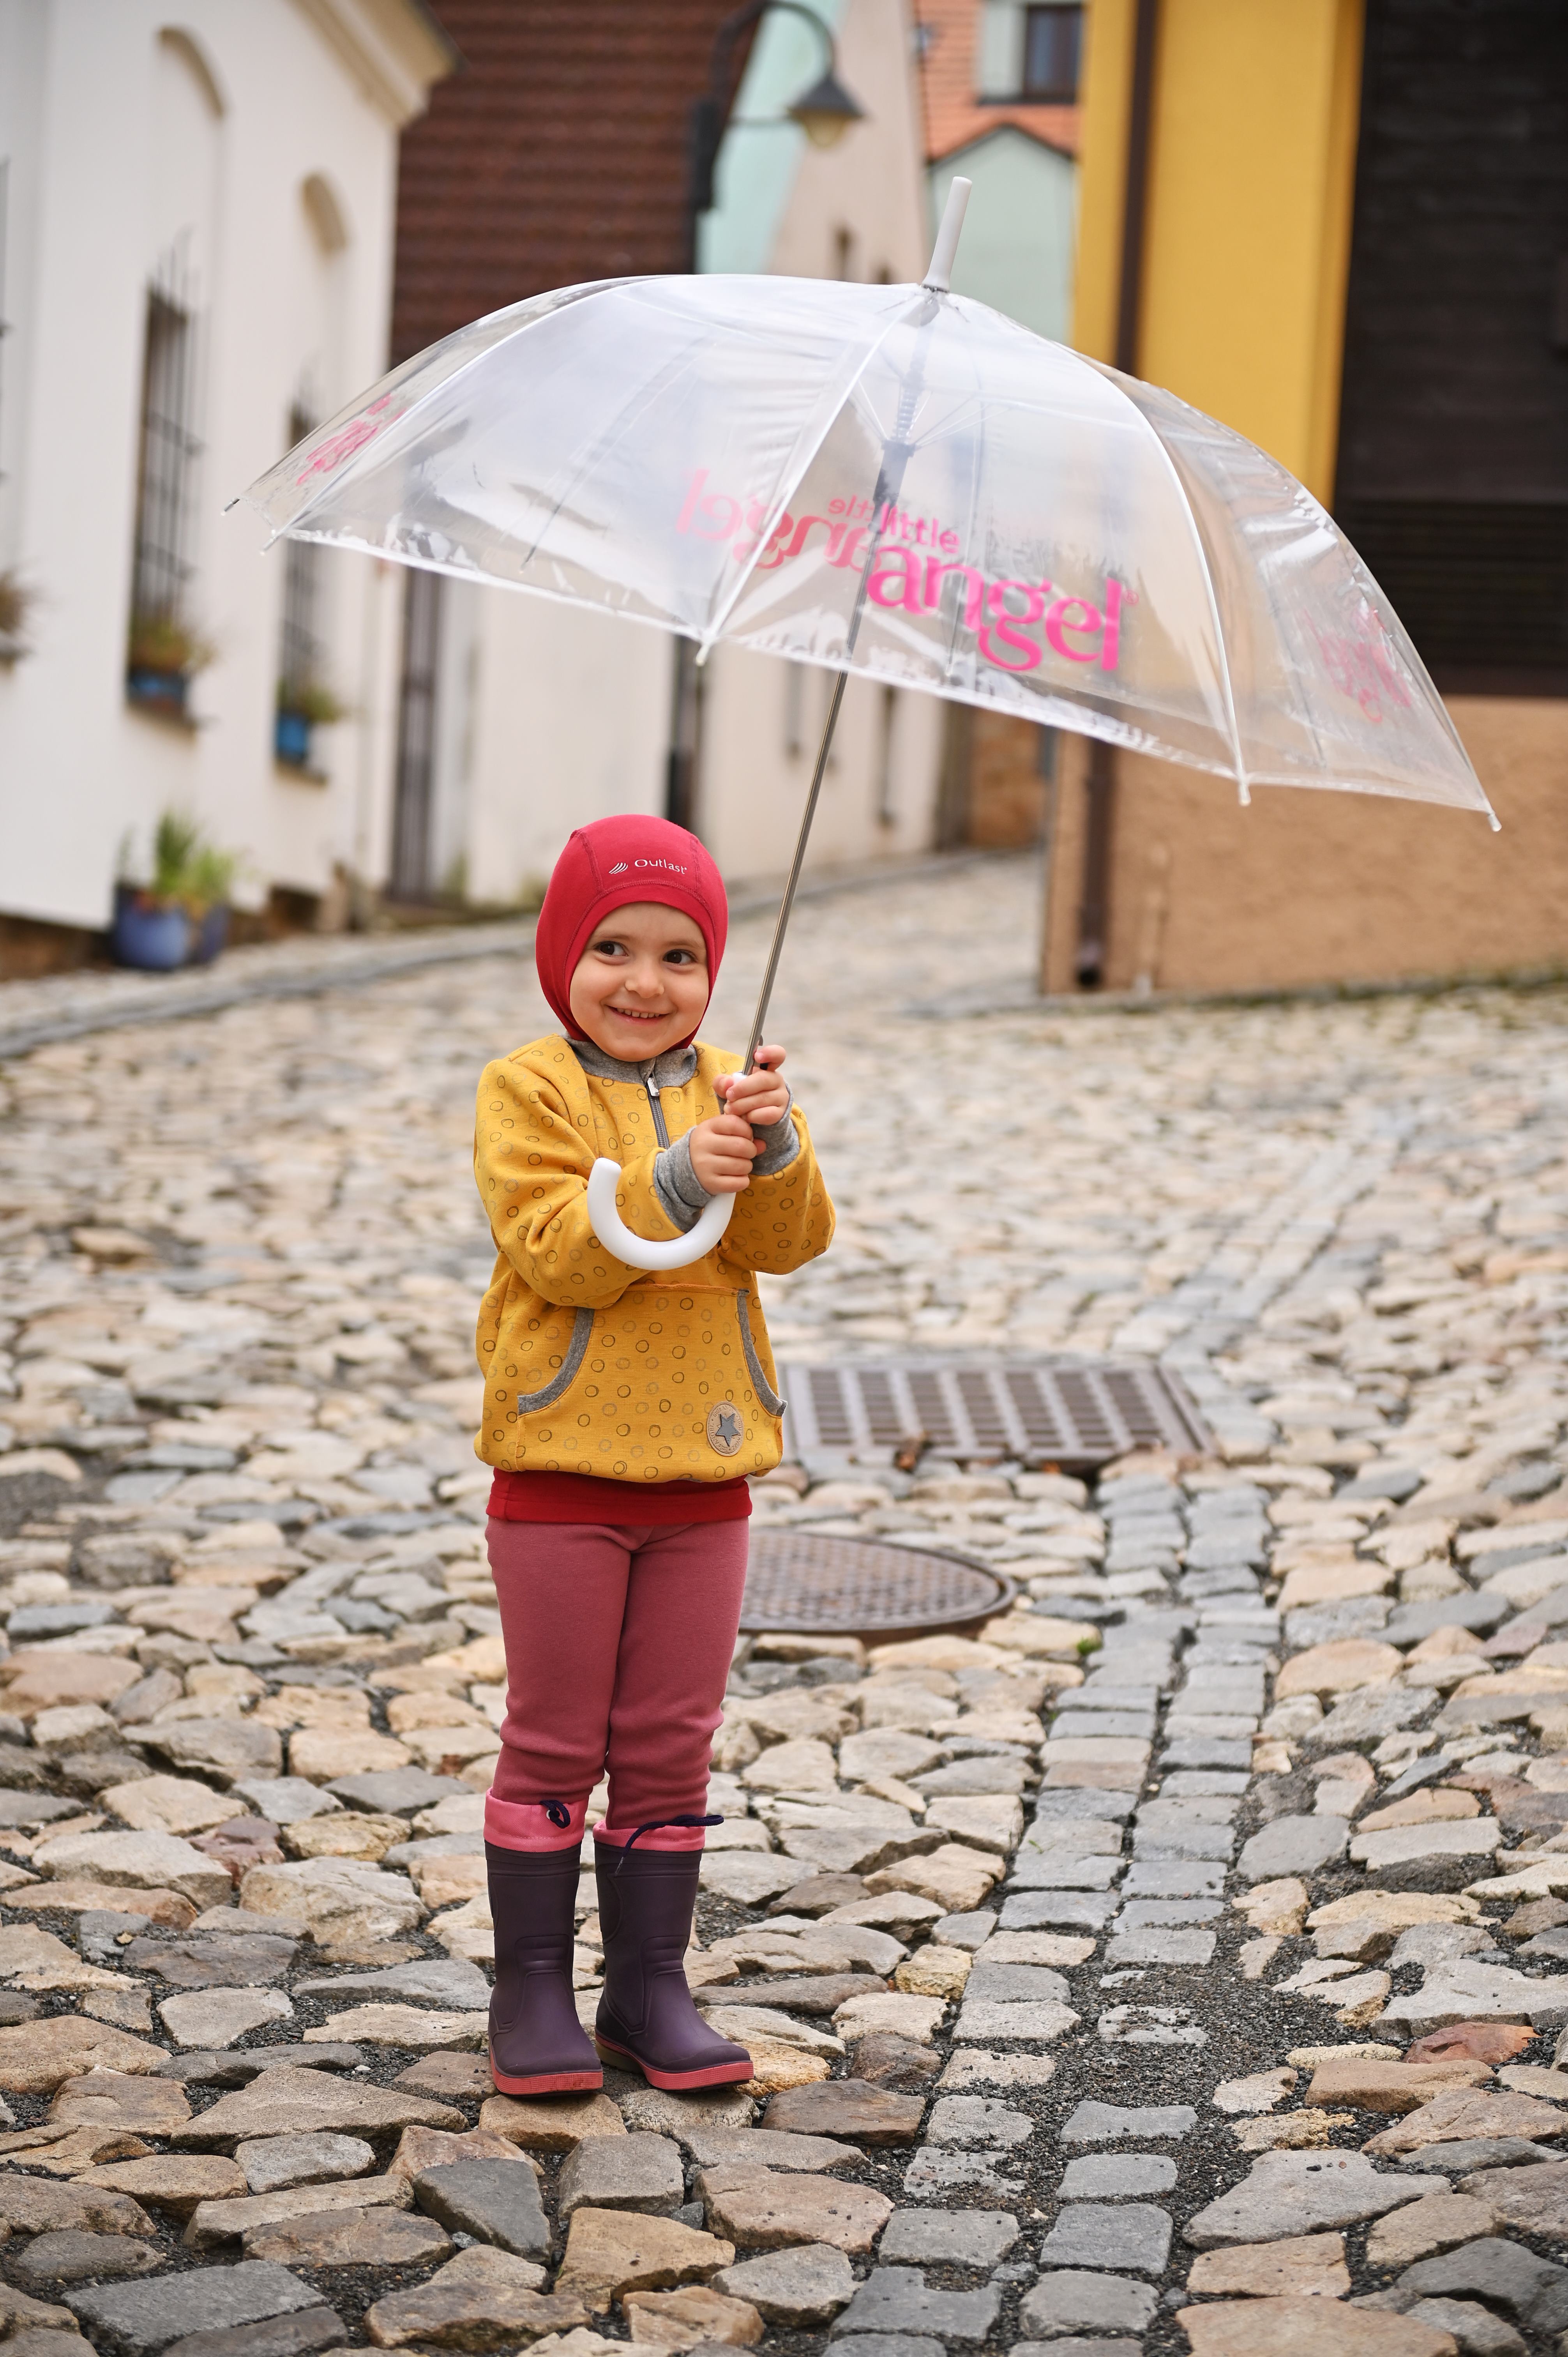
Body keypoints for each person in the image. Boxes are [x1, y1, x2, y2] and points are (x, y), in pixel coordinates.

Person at [471, 813, 834, 2097]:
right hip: (563, 1476)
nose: (645, 981)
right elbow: (560, 1247)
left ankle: (647, 1984)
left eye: (681, 956)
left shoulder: (731, 1083)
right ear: (563, 952)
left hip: (705, 1474)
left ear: (716, 970)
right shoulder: (530, 1090)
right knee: (560, 1735)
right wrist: (678, 1173)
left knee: (673, 1740)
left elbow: (788, 1242)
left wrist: (771, 1147)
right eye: (612, 946)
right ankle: (532, 1989)